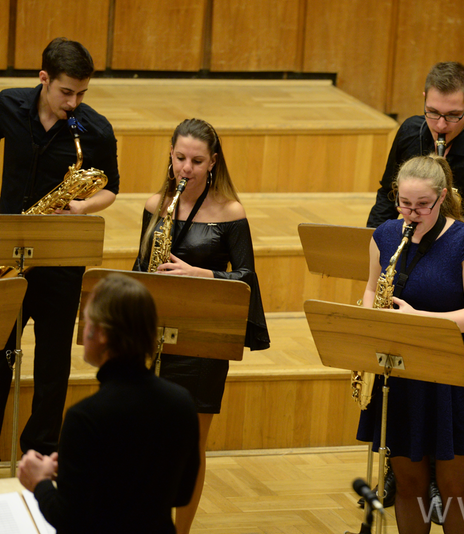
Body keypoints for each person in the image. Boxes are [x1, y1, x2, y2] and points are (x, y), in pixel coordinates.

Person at [133, 118, 270, 534]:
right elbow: (140, 267)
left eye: (196, 161)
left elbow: (247, 277)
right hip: (154, 335)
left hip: (203, 340)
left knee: (190, 446)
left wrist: (202, 274)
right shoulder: (155, 205)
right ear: (170, 155)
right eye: (180, 158)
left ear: (213, 162)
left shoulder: (230, 212)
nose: (186, 168)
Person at [357, 155, 464, 533]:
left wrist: (418, 320)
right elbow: (372, 288)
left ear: (442, 197)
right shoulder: (385, 235)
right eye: (404, 204)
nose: (412, 214)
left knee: (455, 489)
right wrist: (371, 314)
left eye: (422, 205)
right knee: (409, 486)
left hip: (454, 373)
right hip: (401, 371)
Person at [0, 37, 120, 456]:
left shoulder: (95, 129)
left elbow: (111, 188)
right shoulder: (9, 106)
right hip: (9, 251)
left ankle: (40, 452)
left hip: (60, 258)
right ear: (44, 78)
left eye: (82, 93)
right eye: (66, 92)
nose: (73, 103)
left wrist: (83, 207)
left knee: (53, 364)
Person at [16, 274, 199, 533]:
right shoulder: (181, 402)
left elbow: (68, 518)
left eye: (87, 321)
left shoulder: (85, 417)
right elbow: (181, 495)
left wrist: (39, 482)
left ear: (100, 333)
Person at [366, 61, 464, 250]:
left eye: (452, 115)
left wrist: (457, 225)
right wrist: (372, 242)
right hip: (411, 247)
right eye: (433, 112)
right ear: (424, 100)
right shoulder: (410, 132)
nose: (441, 125)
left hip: (462, 255)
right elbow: (388, 194)